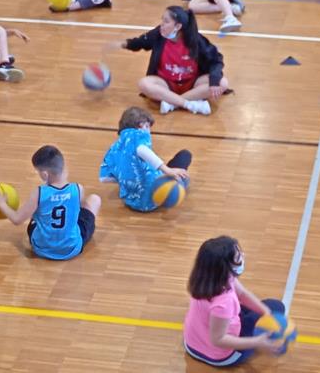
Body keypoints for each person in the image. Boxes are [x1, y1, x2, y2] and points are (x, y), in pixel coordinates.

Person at [183, 236, 285, 367]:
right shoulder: (224, 303)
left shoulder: (205, 279)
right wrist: (257, 342)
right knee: (277, 307)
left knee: (269, 309)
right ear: (225, 267)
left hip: (193, 343)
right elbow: (218, 340)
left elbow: (242, 294)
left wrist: (266, 313)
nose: (243, 256)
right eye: (238, 257)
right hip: (219, 356)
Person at [0, 145, 101, 260]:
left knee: (36, 213)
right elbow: (79, 208)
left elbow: (17, 220)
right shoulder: (78, 189)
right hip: (71, 249)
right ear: (62, 166)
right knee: (94, 199)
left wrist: (1, 203)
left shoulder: (39, 193)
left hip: (41, 249)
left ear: (45, 174)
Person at [112, 6, 229, 116]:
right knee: (144, 83)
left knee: (222, 83)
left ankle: (171, 103)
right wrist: (124, 44)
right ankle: (189, 104)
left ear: (178, 26)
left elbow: (216, 60)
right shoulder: (159, 34)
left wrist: (214, 81)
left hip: (192, 84)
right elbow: (141, 42)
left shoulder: (196, 40)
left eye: (166, 21)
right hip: (166, 84)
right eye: (162, 20)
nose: (162, 24)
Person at [99, 107, 192, 212]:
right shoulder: (138, 137)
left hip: (131, 201)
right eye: (147, 126)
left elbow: (106, 178)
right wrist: (168, 171)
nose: (149, 131)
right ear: (141, 125)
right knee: (184, 157)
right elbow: (142, 151)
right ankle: (172, 191)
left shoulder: (118, 145)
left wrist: (126, 180)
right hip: (152, 199)